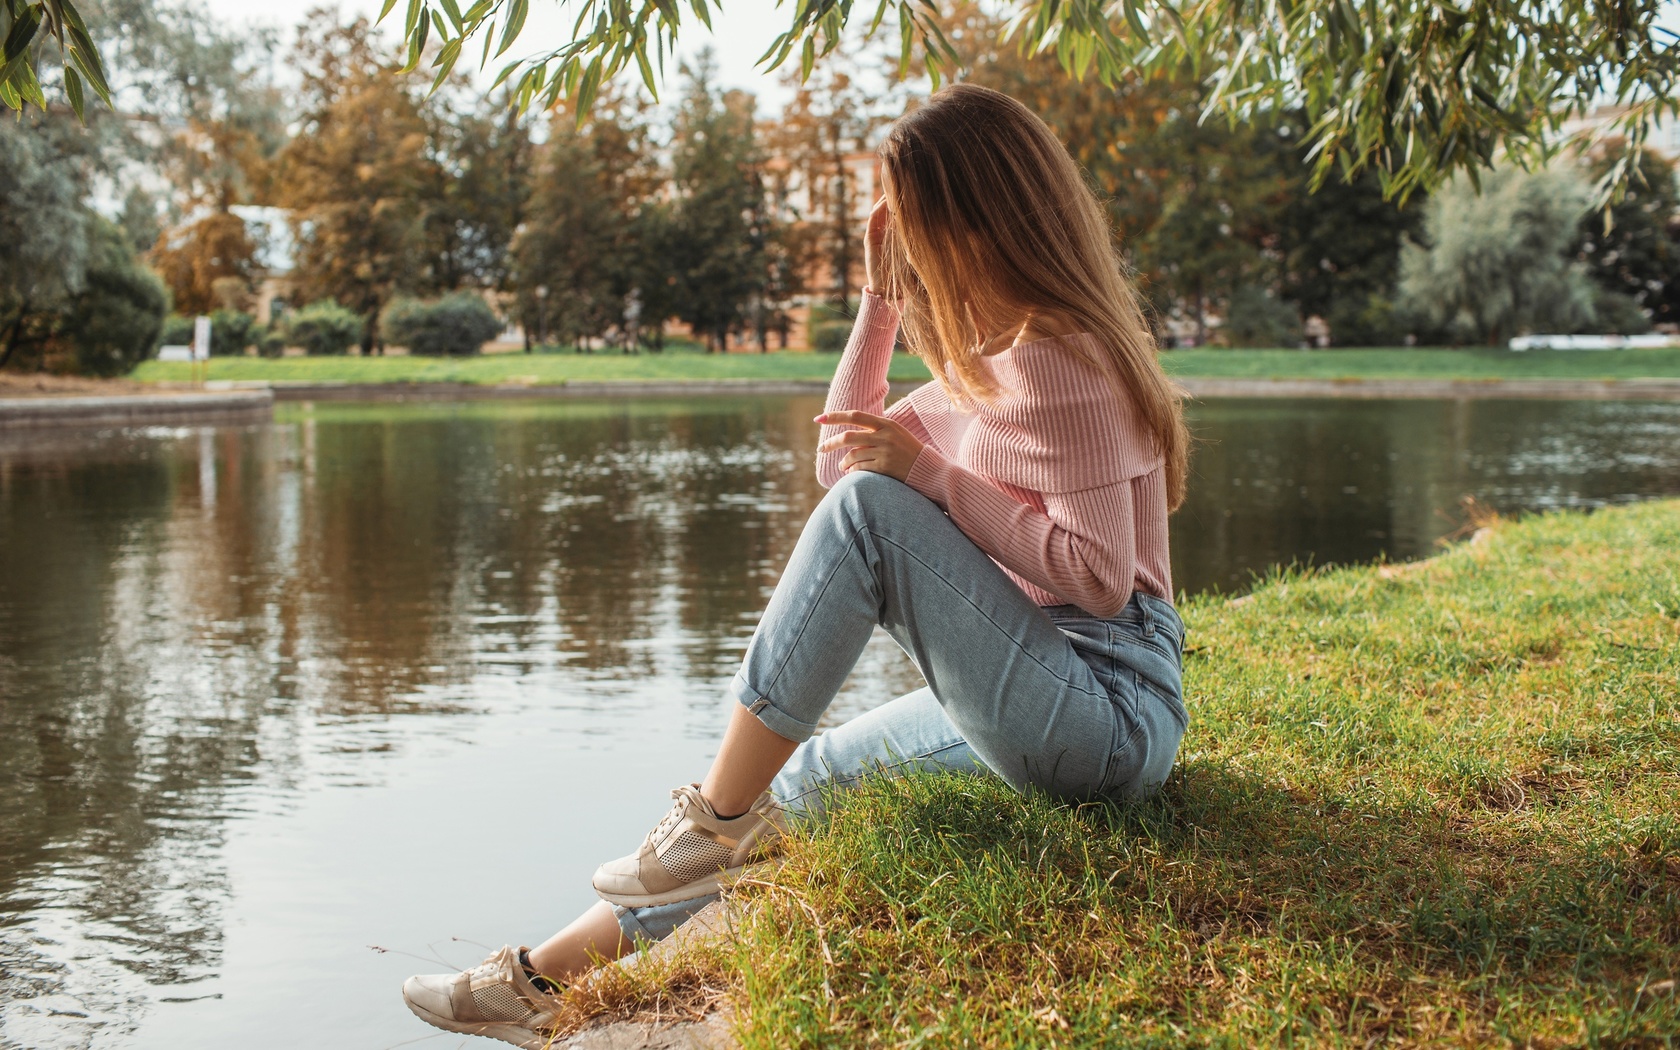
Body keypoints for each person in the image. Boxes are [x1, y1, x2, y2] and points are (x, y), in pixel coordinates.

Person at [400, 82, 1192, 1048]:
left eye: (918, 226)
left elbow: (1099, 580)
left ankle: (713, 818)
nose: (912, 247)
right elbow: (837, 464)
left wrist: (936, 478)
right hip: (1048, 684)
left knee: (872, 514)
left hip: (1107, 707)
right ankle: (539, 985)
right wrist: (877, 307)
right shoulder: (992, 365)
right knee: (804, 782)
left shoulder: (1066, 361)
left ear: (974, 220)